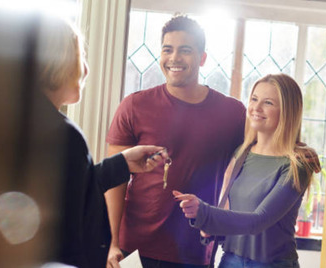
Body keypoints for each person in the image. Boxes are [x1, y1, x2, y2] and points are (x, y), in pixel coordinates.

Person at [0, 6, 167, 267]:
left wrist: (122, 163)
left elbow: (65, 188)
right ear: (57, 60)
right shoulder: (61, 135)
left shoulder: (15, 122)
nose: (87, 70)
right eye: (81, 56)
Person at [105, 15, 246, 268]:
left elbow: (254, 163)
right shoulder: (134, 106)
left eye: (185, 50)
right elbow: (114, 179)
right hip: (133, 249)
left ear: (202, 58)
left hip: (193, 253)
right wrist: (112, 242)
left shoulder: (233, 113)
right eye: (167, 50)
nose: (174, 58)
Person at [174, 73, 314, 268]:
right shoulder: (242, 153)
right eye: (254, 99)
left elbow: (258, 221)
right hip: (230, 260)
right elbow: (230, 210)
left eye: (268, 103)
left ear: (287, 111)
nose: (256, 108)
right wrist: (208, 225)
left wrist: (205, 213)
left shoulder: (296, 165)